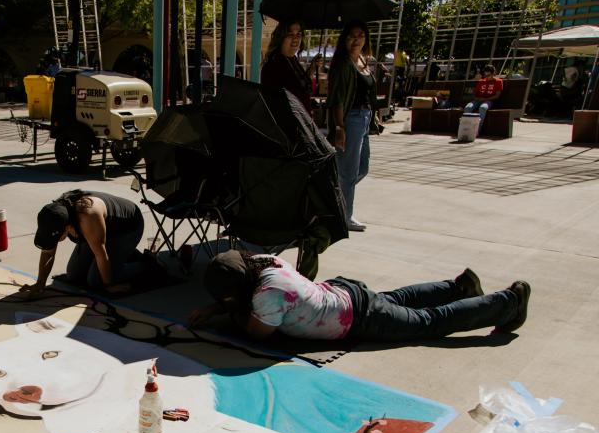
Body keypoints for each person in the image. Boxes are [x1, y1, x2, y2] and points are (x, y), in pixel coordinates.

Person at [190, 250, 531, 342]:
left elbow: (256, 333)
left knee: (428, 323)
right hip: (344, 292)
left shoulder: (267, 296)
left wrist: (227, 314)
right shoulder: (266, 264)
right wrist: (217, 306)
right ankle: (457, 288)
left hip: (356, 320)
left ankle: (507, 303)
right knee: (395, 298)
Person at [21, 190, 146, 296]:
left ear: (67, 228)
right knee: (74, 274)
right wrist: (40, 283)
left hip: (127, 228)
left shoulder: (87, 215)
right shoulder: (54, 216)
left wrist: (110, 285)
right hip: (98, 233)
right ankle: (123, 255)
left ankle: (146, 262)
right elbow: (48, 253)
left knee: (96, 280)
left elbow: (100, 254)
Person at [327, 20, 379, 233]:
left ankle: (334, 199)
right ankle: (344, 216)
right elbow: (337, 98)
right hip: (351, 118)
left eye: (360, 35)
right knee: (348, 171)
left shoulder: (363, 61)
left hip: (365, 118)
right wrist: (339, 126)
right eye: (351, 35)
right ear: (344, 39)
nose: (356, 39)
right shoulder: (342, 64)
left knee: (362, 167)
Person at [260, 19, 321, 113]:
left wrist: (312, 69)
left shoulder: (292, 59)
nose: (295, 39)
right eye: (290, 35)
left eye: (299, 34)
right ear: (280, 38)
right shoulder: (274, 65)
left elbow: (299, 85)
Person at [463, 64, 502, 131]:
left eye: (488, 75)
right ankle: (466, 127)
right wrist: (475, 98)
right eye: (485, 75)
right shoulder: (481, 81)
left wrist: (485, 99)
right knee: (468, 107)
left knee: (483, 108)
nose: (487, 77)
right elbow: (474, 93)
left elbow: (497, 95)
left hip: (489, 100)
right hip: (478, 100)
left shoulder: (498, 81)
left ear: (493, 74)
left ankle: (478, 129)